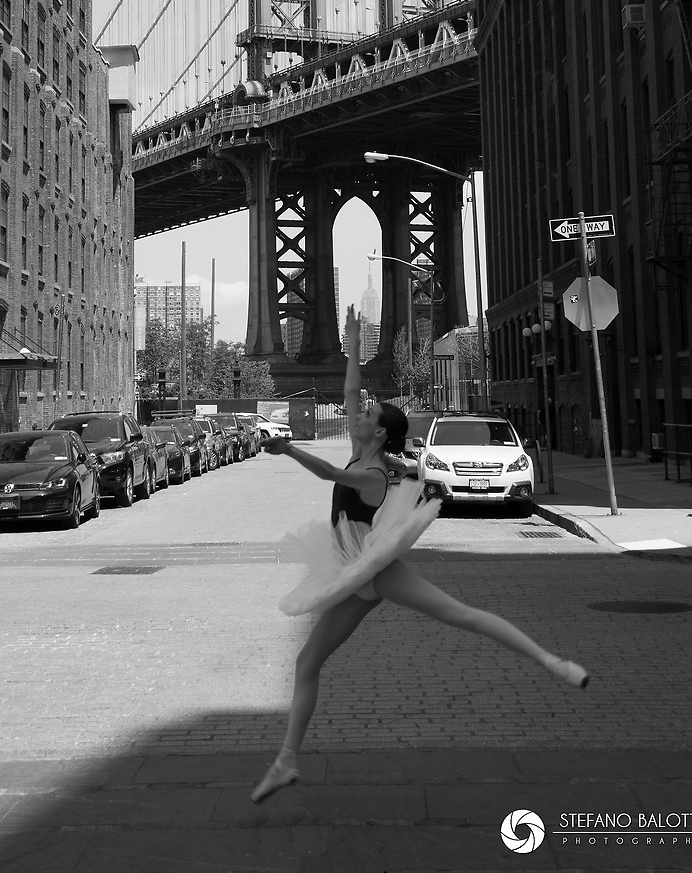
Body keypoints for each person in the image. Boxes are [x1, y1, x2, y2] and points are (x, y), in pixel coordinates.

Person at [250, 306, 589, 804]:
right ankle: (285, 762)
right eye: (360, 413)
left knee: (462, 615)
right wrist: (350, 345)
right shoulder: (361, 447)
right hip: (349, 574)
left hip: (376, 569)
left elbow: (328, 477)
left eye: (366, 415)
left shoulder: (371, 474)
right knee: (306, 663)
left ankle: (553, 662)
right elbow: (349, 393)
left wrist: (288, 450)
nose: (358, 413)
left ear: (380, 432)